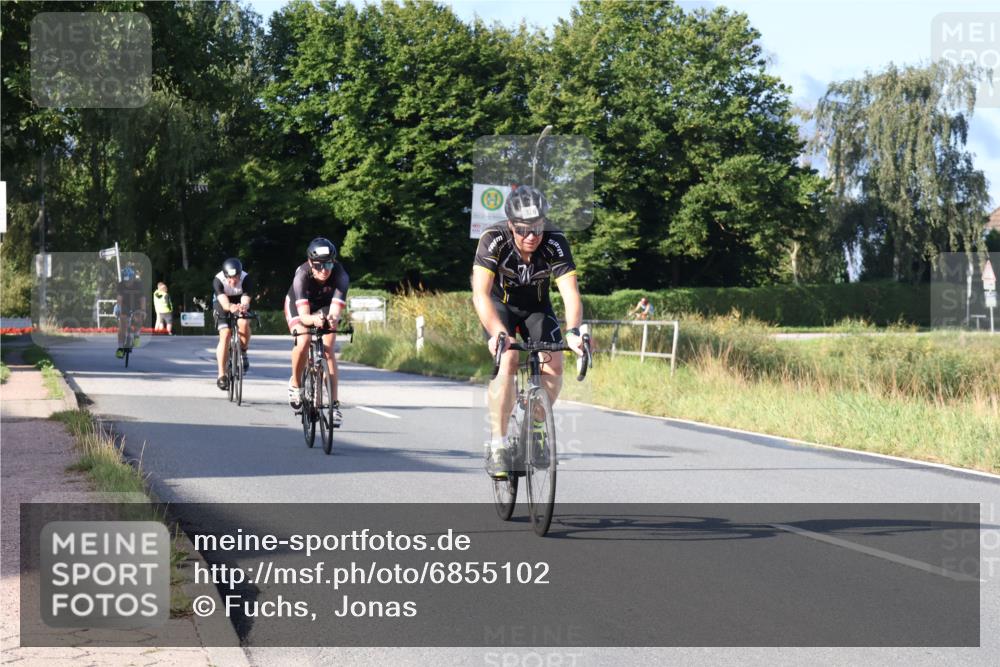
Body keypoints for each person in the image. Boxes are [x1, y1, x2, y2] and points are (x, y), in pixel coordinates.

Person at [471, 185, 586, 479]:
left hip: (537, 307)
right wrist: (498, 332)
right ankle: (498, 443)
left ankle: (536, 427)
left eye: (537, 228)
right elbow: (480, 295)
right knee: (508, 359)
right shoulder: (492, 239)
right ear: (510, 224)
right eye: (523, 230)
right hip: (501, 307)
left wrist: (573, 331)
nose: (531, 236)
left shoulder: (555, 241)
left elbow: (570, 294)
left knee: (555, 363)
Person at [284, 238, 349, 426]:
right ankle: (296, 384)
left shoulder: (341, 276)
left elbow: (335, 312)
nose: (324, 270)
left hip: (325, 306)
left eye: (328, 264)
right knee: (303, 340)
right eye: (319, 265)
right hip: (299, 306)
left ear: (334, 262)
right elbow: (304, 317)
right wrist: (313, 320)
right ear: (310, 263)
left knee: (328, 350)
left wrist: (331, 319)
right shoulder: (301, 276)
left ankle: (334, 405)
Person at [212, 258, 254, 391]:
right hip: (222, 301)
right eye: (229, 278)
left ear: (240, 274)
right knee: (225, 334)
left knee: (244, 322)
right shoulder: (218, 280)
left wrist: (243, 306)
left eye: (236, 277)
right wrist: (230, 306)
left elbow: (246, 299)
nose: (233, 281)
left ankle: (244, 352)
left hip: (240, 299)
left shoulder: (246, 278)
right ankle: (221, 375)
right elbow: (224, 303)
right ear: (225, 276)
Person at [115, 266, 146, 358]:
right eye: (125, 281)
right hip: (125, 305)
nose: (127, 283)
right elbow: (119, 298)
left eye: (129, 281)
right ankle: (120, 348)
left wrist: (143, 310)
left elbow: (142, 298)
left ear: (133, 278)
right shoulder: (121, 285)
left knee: (139, 316)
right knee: (122, 325)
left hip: (136, 305)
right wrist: (118, 308)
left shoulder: (138, 284)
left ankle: (136, 335)